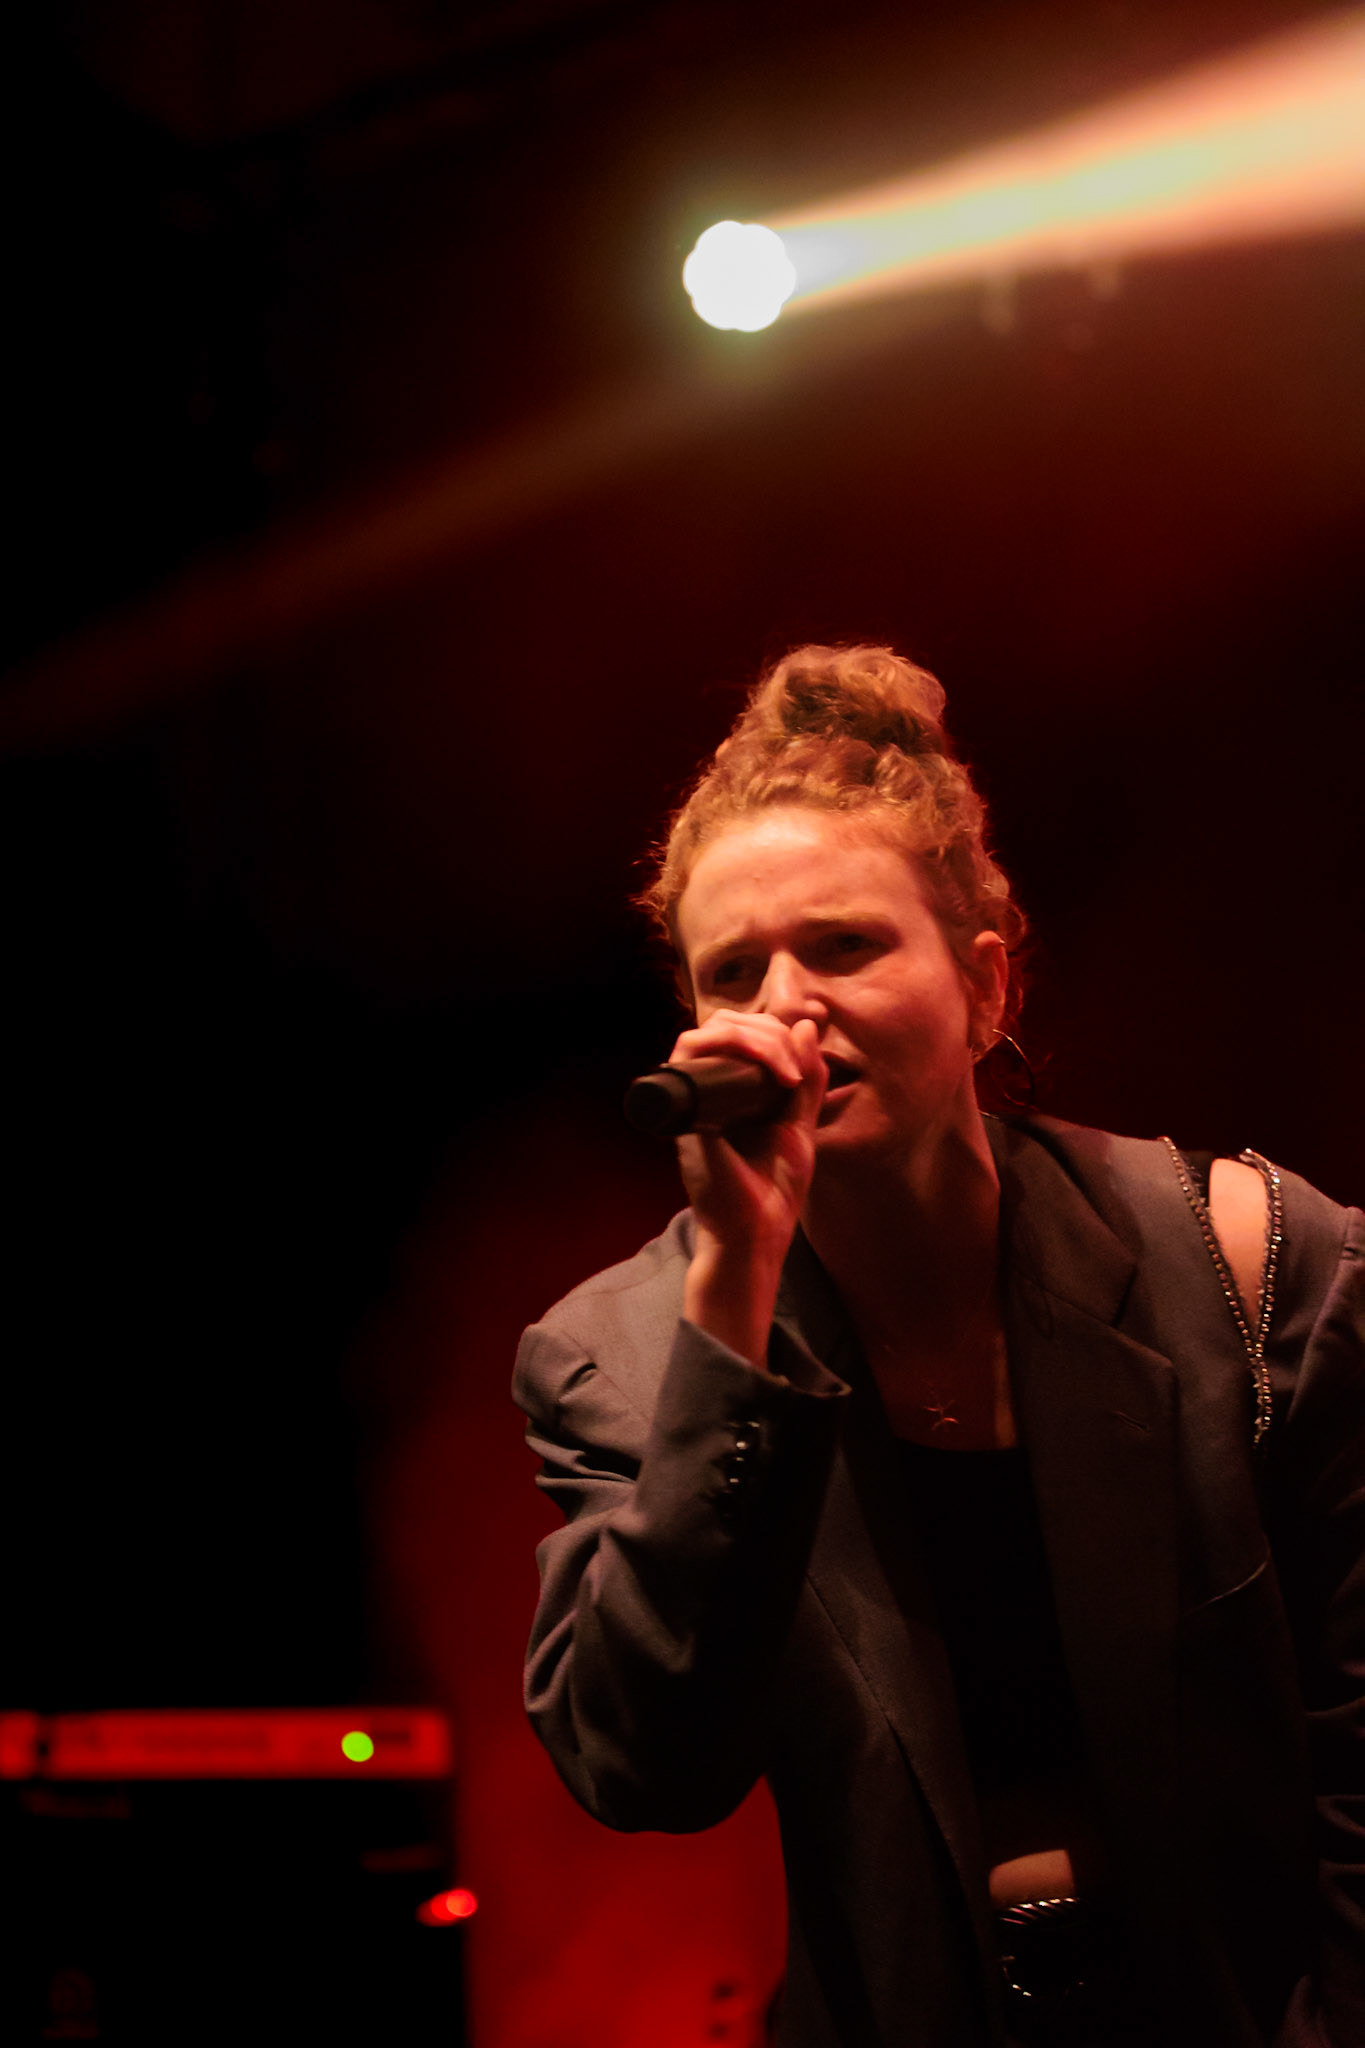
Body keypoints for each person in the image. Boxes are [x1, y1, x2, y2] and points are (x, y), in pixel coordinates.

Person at [513, 643, 1365, 2048]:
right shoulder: (616, 1356)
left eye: (842, 945)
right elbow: (643, 1763)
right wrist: (734, 1288)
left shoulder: (1257, 1261)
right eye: (736, 971)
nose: (786, 1002)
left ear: (984, 992)